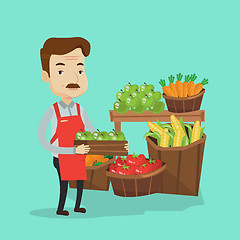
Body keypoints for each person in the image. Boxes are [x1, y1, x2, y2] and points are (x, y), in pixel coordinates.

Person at [38, 37, 128, 216]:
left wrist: (115, 145)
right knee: (64, 183)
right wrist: (70, 151)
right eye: (61, 71)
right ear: (46, 76)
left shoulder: (81, 110)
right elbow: (43, 140)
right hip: (62, 156)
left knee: (80, 181)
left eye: (80, 70)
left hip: (81, 155)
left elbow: (94, 134)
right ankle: (60, 208)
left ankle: (77, 205)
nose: (73, 78)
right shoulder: (52, 111)